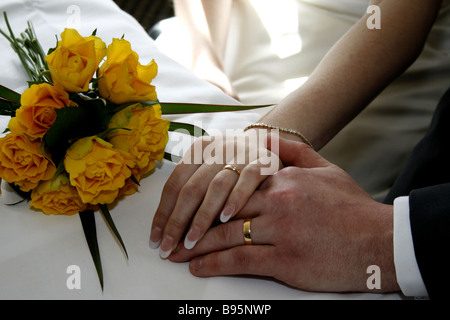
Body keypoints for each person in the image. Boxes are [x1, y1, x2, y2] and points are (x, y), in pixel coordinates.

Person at [150, 0, 449, 298]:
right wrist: (204, 59)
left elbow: (388, 19)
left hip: (344, 85)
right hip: (221, 48)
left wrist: (266, 136)